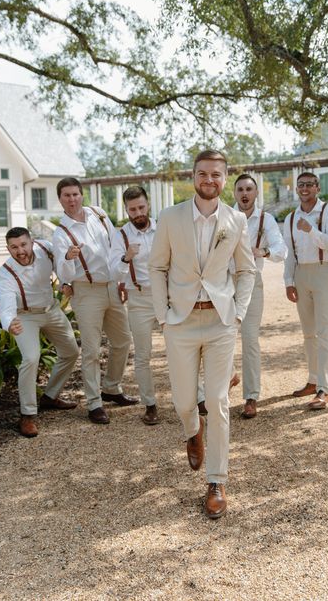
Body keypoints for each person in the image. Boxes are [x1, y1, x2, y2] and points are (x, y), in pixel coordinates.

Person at [149, 149, 256, 519]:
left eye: (216, 175)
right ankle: (192, 430)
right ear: (192, 176)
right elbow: (156, 268)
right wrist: (163, 316)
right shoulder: (169, 217)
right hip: (179, 322)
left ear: (224, 179)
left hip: (220, 322)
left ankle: (217, 480)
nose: (209, 180)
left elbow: (246, 271)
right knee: (182, 402)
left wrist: (238, 314)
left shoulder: (236, 220)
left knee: (218, 400)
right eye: (202, 174)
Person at [52, 177, 138, 425]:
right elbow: (64, 274)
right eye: (66, 195)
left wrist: (121, 279)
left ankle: (111, 387)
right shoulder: (61, 233)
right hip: (86, 291)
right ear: (60, 199)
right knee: (91, 351)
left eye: (75, 194)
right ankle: (94, 403)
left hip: (112, 286)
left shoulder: (98, 214)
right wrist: (68, 257)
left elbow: (114, 246)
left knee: (122, 340)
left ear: (82, 195)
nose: (72, 199)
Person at [0, 227, 79, 437]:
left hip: (51, 310)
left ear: (32, 242)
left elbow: (63, 266)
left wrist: (66, 282)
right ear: (8, 249)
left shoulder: (46, 248)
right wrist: (9, 322)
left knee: (71, 352)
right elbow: (6, 307)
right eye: (14, 247)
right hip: (24, 316)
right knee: (31, 358)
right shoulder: (5, 273)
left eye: (23, 244)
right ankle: (27, 414)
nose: (20, 251)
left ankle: (50, 397)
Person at [283, 173, 328, 410]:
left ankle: (325, 388)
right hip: (301, 274)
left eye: (309, 185)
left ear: (317, 188)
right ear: (297, 189)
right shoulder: (290, 218)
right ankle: (313, 379)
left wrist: (310, 230)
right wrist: (288, 281)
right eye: (301, 185)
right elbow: (289, 252)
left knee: (325, 331)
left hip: (323, 271)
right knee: (308, 333)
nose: (305, 188)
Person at [232, 173, 286, 418]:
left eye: (249, 189)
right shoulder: (223, 216)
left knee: (250, 339)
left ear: (256, 193)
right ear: (234, 193)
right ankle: (219, 388)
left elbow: (281, 250)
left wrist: (262, 251)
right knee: (216, 339)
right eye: (240, 189)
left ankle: (251, 396)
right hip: (222, 284)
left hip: (252, 282)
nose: (244, 194)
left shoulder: (266, 219)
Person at [109, 186, 160, 426]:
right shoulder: (121, 236)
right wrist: (126, 257)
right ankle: (150, 404)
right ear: (126, 210)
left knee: (183, 349)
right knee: (142, 356)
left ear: (147, 205)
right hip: (138, 299)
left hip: (166, 297)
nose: (138, 213)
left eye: (141, 207)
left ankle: (198, 397)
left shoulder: (163, 228)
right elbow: (113, 272)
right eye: (132, 209)